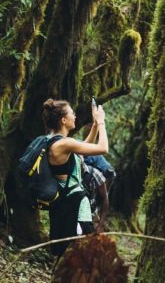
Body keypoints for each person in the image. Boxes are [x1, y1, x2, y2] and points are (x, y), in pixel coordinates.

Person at [42, 98, 108, 256]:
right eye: (72, 113)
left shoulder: (52, 141)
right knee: (82, 255)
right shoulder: (65, 144)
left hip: (63, 205)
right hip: (74, 207)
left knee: (70, 255)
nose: (75, 116)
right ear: (63, 120)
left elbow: (82, 150)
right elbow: (103, 148)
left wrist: (94, 126)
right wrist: (101, 122)